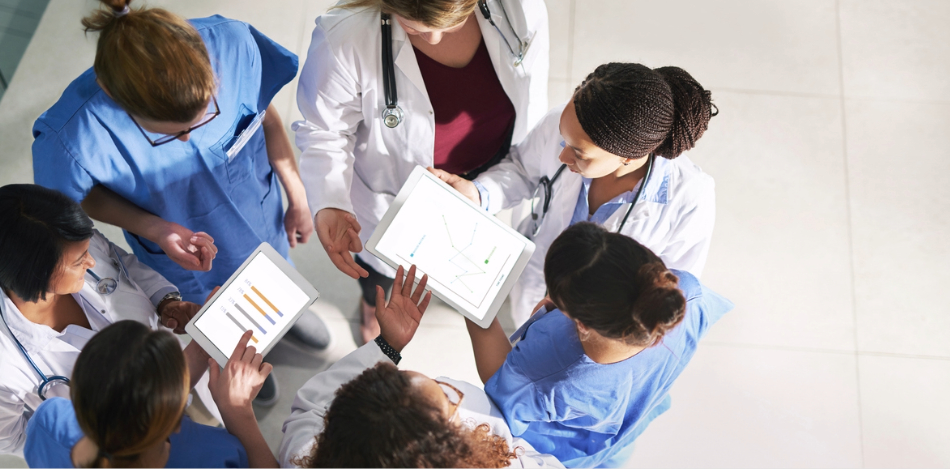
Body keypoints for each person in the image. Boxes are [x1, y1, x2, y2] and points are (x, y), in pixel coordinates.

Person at [30, 0, 331, 403]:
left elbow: (262, 114)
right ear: (116, 99)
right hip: (179, 252)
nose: (192, 138)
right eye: (173, 133)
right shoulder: (73, 134)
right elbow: (83, 197)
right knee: (214, 308)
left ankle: (281, 318)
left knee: (274, 270)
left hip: (258, 211)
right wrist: (154, 227)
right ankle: (244, 350)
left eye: (203, 118)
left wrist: (295, 191)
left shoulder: (233, 44)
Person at [296, 0, 550, 342]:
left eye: (453, 22)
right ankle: (374, 306)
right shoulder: (345, 37)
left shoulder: (518, 7)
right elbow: (325, 131)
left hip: (490, 167)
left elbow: (533, 93)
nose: (432, 38)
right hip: (395, 190)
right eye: (414, 26)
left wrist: (486, 188)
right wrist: (329, 200)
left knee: (460, 251)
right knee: (384, 272)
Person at [431, 62, 718, 325]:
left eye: (578, 153)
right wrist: (479, 192)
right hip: (528, 281)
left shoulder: (689, 198)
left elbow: (675, 291)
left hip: (592, 326)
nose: (562, 156)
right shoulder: (566, 123)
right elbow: (523, 169)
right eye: (563, 140)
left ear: (629, 156)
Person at [0, 184, 213, 455]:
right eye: (80, 260)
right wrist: (90, 447)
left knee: (212, 434)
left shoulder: (74, 240)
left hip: (187, 376)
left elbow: (122, 263)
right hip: (130, 448)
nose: (91, 262)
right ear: (38, 274)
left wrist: (164, 302)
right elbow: (3, 439)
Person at [464, 223, 734, 468]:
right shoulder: (685, 292)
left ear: (580, 322)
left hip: (558, 453)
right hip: (624, 433)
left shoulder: (551, 364)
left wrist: (473, 304)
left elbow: (498, 381)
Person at [279, 266, 562, 468]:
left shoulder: (306, 454)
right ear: (442, 451)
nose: (452, 393)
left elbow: (312, 407)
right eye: (449, 404)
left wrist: (388, 345)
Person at [23, 320, 278, 468]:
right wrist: (237, 411)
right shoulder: (221, 454)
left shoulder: (48, 422)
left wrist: (201, 349)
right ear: (177, 419)